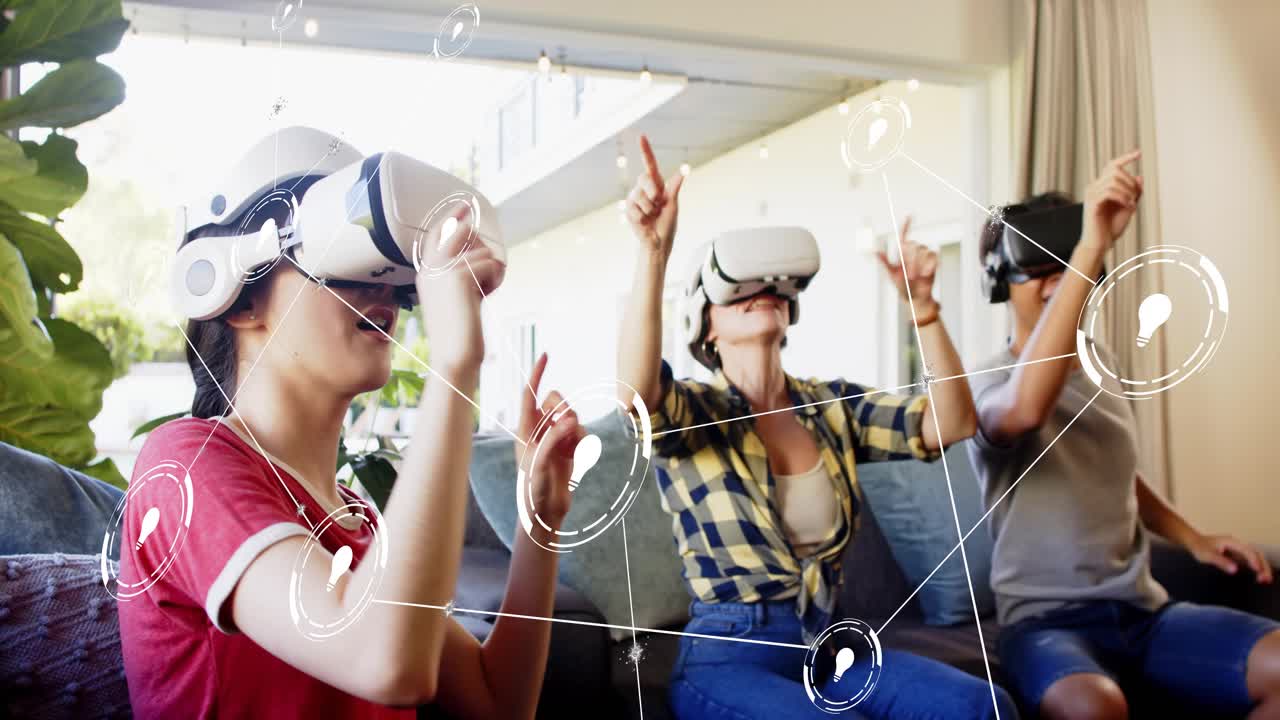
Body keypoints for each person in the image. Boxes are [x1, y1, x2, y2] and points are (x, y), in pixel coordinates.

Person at [118, 130, 584, 720]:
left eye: (391, 275)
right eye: (346, 261)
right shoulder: (184, 467)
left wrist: (538, 517)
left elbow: (499, 701)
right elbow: (384, 661)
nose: (382, 290)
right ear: (238, 301)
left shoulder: (357, 520)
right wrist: (453, 364)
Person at [617, 135, 1017, 719]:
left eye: (770, 287)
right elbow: (636, 395)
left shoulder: (831, 407)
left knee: (984, 706)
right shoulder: (696, 413)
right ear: (705, 327)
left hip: (830, 641)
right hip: (730, 651)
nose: (760, 294)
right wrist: (653, 253)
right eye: (739, 291)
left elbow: (951, 422)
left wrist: (923, 310)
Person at [966, 150, 1280, 720]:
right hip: (1042, 623)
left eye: (1067, 261)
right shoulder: (988, 382)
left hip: (1141, 611)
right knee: (1094, 708)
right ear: (998, 281)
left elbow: (1111, 473)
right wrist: (1090, 245)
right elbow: (1026, 410)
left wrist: (1193, 537)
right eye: (1037, 264)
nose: (1055, 278)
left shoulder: (1102, 361)